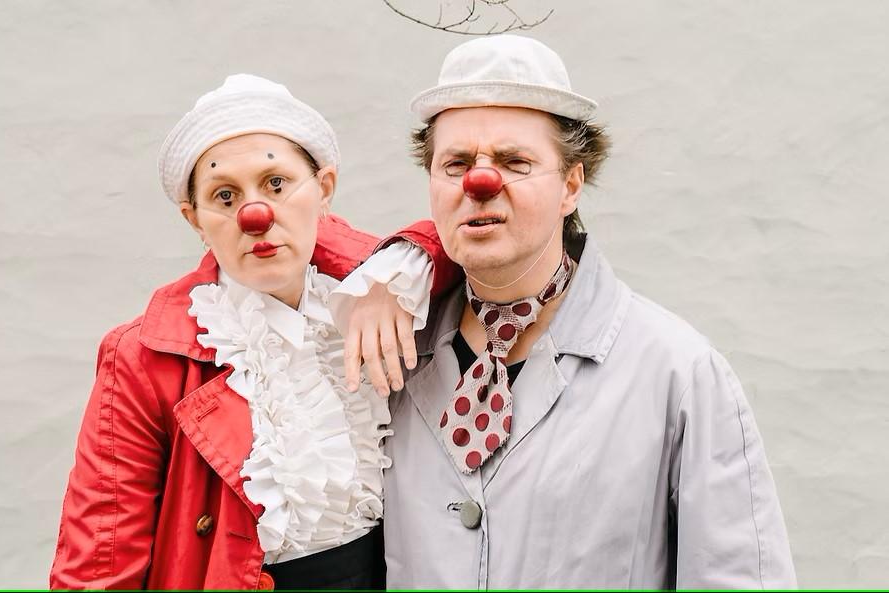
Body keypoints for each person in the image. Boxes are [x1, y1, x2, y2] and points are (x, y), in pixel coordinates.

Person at [340, 34, 797, 589]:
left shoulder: (679, 374)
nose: (480, 184)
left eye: (515, 161)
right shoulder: (389, 355)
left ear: (571, 185)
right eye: (456, 163)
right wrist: (395, 263)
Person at [48, 74, 458, 590]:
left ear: (324, 188)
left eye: (276, 184)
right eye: (224, 195)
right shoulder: (140, 359)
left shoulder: (382, 291)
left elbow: (469, 246)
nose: (255, 215)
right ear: (194, 219)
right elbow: (99, 567)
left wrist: (410, 260)